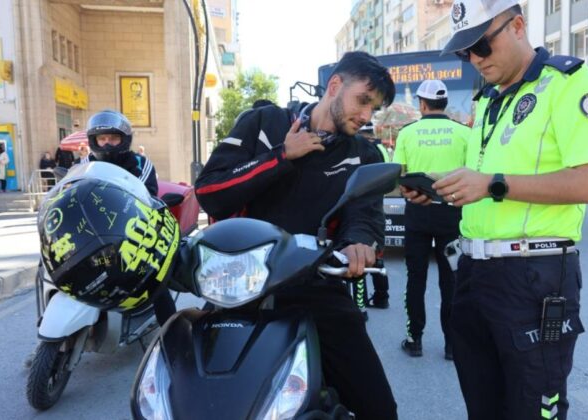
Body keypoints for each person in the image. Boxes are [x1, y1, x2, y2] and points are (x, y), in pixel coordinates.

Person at [403, 2, 588, 418]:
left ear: (518, 26)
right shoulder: (489, 100)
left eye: (481, 45)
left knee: (532, 408)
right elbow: (490, 186)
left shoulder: (567, 82)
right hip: (475, 275)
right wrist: (446, 189)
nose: (475, 60)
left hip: (534, 277)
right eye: (465, 53)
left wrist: (493, 184)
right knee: (483, 409)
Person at [195, 51, 397, 420]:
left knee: (379, 408)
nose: (367, 115)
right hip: (238, 286)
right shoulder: (264, 121)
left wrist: (359, 245)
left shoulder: (364, 153)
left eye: (375, 108)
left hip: (317, 287)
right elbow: (210, 192)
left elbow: (365, 217)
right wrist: (281, 157)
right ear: (335, 86)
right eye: (363, 100)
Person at [393, 79, 470, 360]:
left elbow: (398, 175)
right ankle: (452, 346)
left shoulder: (407, 133)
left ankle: (415, 341)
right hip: (453, 215)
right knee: (451, 281)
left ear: (422, 104)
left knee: (416, 279)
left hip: (417, 214)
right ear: (445, 103)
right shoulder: (464, 133)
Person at [85, 110, 175, 324]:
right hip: (92, 233)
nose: (107, 144)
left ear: (124, 140)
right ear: (94, 140)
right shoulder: (84, 165)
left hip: (129, 233)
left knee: (157, 279)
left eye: (113, 138)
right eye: (102, 138)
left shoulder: (140, 164)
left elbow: (147, 195)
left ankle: (172, 335)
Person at [354, 122, 390, 311]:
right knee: (377, 256)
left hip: (362, 206)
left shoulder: (358, 147)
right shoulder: (381, 147)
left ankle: (360, 306)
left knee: (360, 259)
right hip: (377, 207)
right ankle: (382, 297)